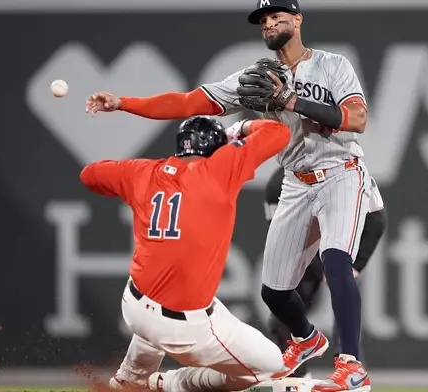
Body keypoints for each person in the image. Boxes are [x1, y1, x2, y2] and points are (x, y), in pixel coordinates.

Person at [85, 0, 373, 389]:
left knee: (336, 261)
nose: (270, 23)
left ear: (298, 19)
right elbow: (188, 102)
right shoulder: (254, 77)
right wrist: (124, 103)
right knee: (274, 292)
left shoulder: (333, 65)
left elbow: (356, 119)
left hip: (340, 173)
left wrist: (290, 102)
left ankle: (351, 364)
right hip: (295, 181)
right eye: (264, 20)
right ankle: (307, 339)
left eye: (277, 16)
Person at [79, 116, 291, 392]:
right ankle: (172, 383)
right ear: (216, 148)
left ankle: (129, 379)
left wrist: (127, 175)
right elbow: (279, 131)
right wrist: (237, 131)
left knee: (171, 304)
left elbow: (90, 175)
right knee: (274, 366)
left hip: (134, 306)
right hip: (185, 330)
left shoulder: (142, 172)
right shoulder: (220, 167)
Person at [263, 168, 387, 379]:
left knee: (343, 282)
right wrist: (318, 269)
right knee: (278, 303)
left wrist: (355, 265)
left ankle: (349, 363)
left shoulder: (347, 173)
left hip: (340, 238)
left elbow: (376, 218)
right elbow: (285, 238)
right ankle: (296, 373)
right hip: (307, 250)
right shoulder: (280, 185)